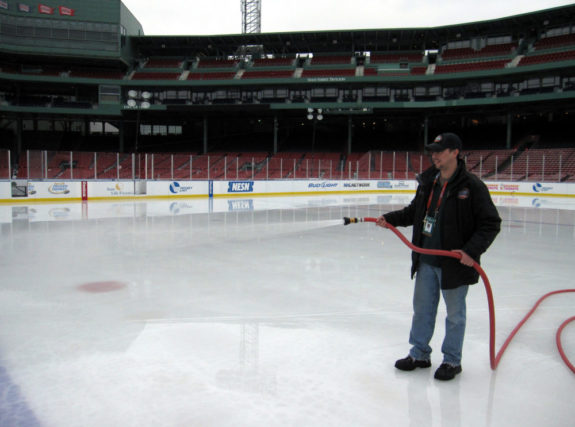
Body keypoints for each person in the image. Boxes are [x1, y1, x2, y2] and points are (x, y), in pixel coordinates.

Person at [376, 133, 501, 381]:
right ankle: (419, 354)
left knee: (455, 315)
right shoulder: (428, 182)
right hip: (425, 261)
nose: (434, 156)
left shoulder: (471, 186)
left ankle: (452, 360)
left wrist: (471, 251)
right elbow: (414, 212)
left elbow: (490, 223)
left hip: (454, 264)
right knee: (422, 310)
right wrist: (390, 218)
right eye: (432, 151)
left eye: (439, 151)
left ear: (455, 152)